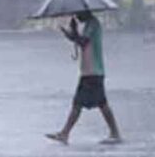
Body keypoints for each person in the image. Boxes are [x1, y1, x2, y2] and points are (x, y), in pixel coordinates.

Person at [46, 10, 122, 145]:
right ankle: (66, 133)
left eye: (78, 14)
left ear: (85, 12)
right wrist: (69, 33)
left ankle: (65, 133)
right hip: (89, 71)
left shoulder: (93, 24)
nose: (77, 16)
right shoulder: (89, 25)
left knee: (85, 103)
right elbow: (80, 41)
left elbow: (83, 42)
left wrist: (74, 32)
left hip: (93, 71)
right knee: (93, 103)